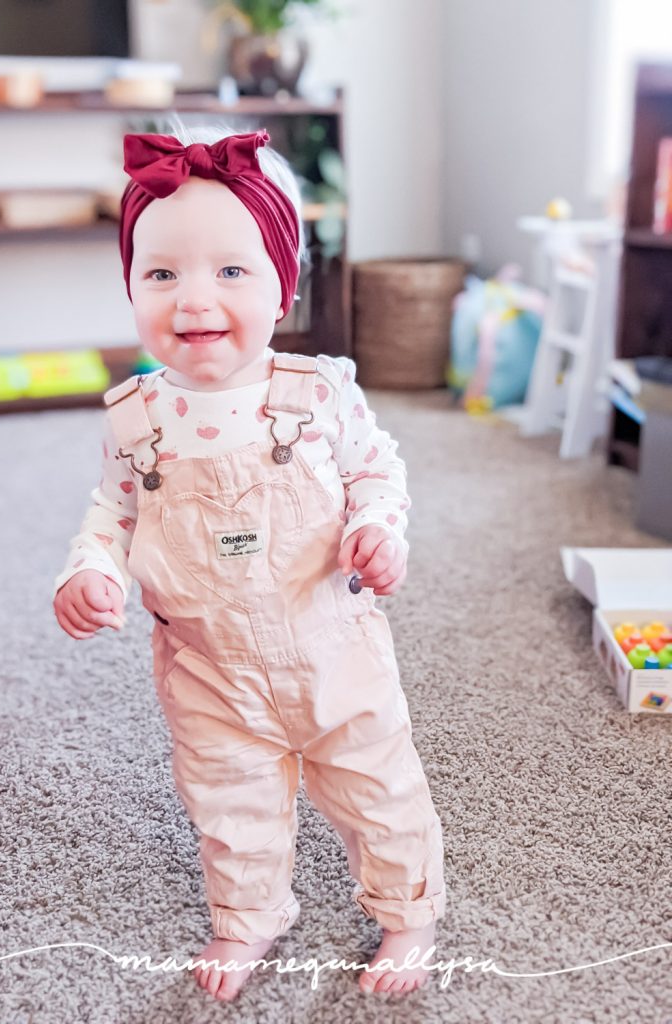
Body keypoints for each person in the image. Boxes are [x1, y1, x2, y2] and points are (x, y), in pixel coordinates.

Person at [53, 123, 446, 1002]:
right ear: (130, 286)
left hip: (330, 642)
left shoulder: (317, 394)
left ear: (282, 287)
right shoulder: (135, 418)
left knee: (376, 785)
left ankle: (408, 912)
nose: (194, 299)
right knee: (229, 807)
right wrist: (91, 572)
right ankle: (249, 917)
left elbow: (376, 470)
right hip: (209, 665)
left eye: (231, 271)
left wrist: (381, 527)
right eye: (162, 273)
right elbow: (111, 513)